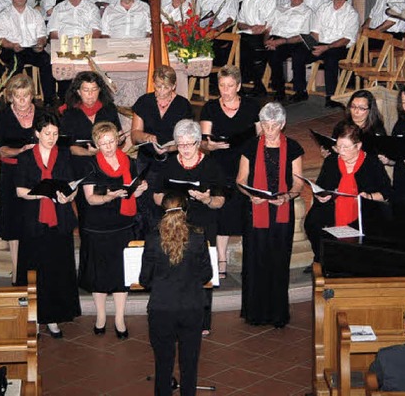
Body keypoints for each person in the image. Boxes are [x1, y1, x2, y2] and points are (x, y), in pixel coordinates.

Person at [153, 119, 225, 336]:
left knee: (202, 272)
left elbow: (220, 201)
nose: (184, 149)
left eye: (189, 144)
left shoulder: (212, 165)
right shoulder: (168, 165)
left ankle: (202, 321)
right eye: (180, 144)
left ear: (198, 143)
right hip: (175, 226)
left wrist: (205, 199)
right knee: (175, 272)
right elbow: (156, 196)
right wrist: (170, 199)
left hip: (203, 224)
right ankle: (177, 318)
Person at [236, 102, 304, 327]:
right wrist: (249, 195)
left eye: (274, 125)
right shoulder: (249, 146)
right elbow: (241, 180)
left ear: (283, 124)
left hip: (281, 211)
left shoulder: (293, 148)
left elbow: (297, 183)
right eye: (265, 124)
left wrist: (287, 196)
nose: (269, 129)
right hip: (255, 210)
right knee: (255, 261)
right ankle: (254, 313)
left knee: (278, 260)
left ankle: (277, 314)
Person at [140, 193, 212, 396]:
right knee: (190, 363)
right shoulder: (198, 236)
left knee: (163, 364)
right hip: (191, 307)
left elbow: (145, 279)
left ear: (162, 212)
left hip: (162, 308)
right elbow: (207, 274)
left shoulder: (153, 238)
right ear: (186, 211)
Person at [15, 111, 80, 338]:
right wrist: (41, 195)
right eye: (47, 133)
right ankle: (33, 319)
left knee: (56, 270)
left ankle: (52, 319)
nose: (51, 138)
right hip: (34, 220)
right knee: (34, 271)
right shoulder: (25, 158)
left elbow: (72, 185)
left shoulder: (62, 155)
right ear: (37, 133)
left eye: (55, 133)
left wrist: (68, 197)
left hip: (58, 220)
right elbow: (20, 190)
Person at [80, 121, 148, 339]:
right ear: (96, 144)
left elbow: (132, 194)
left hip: (123, 224)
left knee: (121, 274)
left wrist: (140, 189)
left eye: (111, 142)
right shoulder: (90, 165)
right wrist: (109, 196)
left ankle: (119, 317)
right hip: (98, 226)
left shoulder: (129, 161)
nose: (108, 147)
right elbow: (90, 199)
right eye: (103, 143)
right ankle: (101, 316)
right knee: (99, 275)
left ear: (118, 140)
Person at [200, 65, 259, 279]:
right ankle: (221, 258)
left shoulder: (252, 106)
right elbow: (205, 142)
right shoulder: (210, 108)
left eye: (230, 86)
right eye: (222, 86)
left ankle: (249, 257)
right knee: (222, 213)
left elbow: (260, 136)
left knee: (247, 210)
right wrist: (211, 146)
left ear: (239, 86)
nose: (226, 90)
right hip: (220, 164)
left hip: (246, 164)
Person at [305, 121, 391, 266]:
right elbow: (320, 187)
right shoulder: (332, 161)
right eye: (338, 146)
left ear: (358, 146)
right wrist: (322, 196)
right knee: (312, 223)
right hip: (332, 210)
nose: (341, 151)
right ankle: (325, 262)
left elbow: (387, 191)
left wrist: (369, 197)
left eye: (345, 147)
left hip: (362, 213)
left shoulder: (371, 162)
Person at [131, 65, 193, 231]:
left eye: (165, 87)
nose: (161, 90)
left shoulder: (182, 105)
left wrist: (170, 148)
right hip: (147, 160)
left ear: (173, 86)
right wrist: (146, 137)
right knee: (146, 203)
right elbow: (135, 134)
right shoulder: (145, 101)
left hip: (172, 160)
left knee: (170, 202)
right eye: (158, 86)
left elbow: (189, 138)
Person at [0, 74, 40, 286]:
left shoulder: (41, 114)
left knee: (35, 221)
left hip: (36, 173)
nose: (22, 101)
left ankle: (35, 268)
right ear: (10, 97)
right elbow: (2, 150)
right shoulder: (3, 117)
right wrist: (21, 150)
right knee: (14, 223)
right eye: (17, 96)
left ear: (32, 95)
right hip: (12, 174)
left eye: (26, 96)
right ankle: (15, 271)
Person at [59, 71, 122, 225]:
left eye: (94, 90)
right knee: (87, 213)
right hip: (82, 166)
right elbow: (68, 147)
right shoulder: (69, 112)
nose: (90, 95)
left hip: (107, 165)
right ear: (78, 92)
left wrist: (119, 138)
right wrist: (89, 152)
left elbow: (118, 134)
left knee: (111, 209)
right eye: (86, 90)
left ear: (100, 90)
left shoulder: (108, 109)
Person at [292, 0, 359, 107]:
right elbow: (315, 32)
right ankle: (300, 91)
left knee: (331, 58)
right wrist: (313, 46)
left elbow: (346, 39)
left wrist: (327, 47)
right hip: (321, 44)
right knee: (298, 52)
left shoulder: (351, 14)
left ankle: (331, 96)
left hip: (339, 47)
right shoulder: (323, 8)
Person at [0, 0, 54, 102]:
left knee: (46, 60)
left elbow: (42, 35)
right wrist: (12, 45)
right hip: (12, 49)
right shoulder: (4, 15)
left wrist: (41, 43)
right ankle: (14, 99)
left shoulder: (35, 13)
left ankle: (49, 100)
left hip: (31, 48)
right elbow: (0, 39)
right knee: (16, 63)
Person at [264, 0, 313, 101]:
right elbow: (268, 27)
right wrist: (267, 40)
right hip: (277, 39)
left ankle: (300, 91)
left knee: (298, 55)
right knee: (271, 53)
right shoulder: (279, 9)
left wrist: (282, 41)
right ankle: (279, 89)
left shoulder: (307, 12)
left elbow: (303, 36)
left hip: (295, 41)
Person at [237, 0, 277, 95]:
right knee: (234, 47)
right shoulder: (247, 0)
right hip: (247, 33)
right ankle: (248, 84)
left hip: (263, 35)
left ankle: (255, 84)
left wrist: (260, 29)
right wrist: (250, 26)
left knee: (246, 49)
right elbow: (240, 22)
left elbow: (268, 24)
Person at [197, 0, 239, 67]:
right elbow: (197, 17)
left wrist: (217, 29)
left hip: (222, 30)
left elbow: (231, 20)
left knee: (207, 42)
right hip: (204, 28)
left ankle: (208, 72)